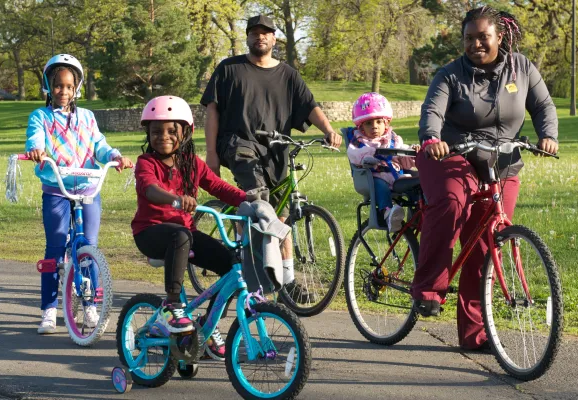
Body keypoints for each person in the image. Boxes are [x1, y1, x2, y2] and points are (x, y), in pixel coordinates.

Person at [411, 6, 559, 351]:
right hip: (451, 153)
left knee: (485, 245)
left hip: (502, 161)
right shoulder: (450, 74)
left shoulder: (521, 68)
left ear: (500, 37)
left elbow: (543, 107)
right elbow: (432, 109)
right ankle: (429, 289)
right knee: (450, 202)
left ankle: (474, 335)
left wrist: (548, 134)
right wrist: (432, 137)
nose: (475, 43)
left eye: (483, 37)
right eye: (469, 38)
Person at [200, 14, 342, 302]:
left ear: (274, 38)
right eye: (254, 32)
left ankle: (287, 281)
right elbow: (212, 110)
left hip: (276, 149)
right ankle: (253, 278)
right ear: (248, 37)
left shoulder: (288, 74)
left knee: (282, 217)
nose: (260, 37)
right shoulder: (230, 69)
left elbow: (309, 105)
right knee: (258, 203)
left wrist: (328, 130)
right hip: (238, 144)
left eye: (266, 33)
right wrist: (212, 153)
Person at [131, 95, 247, 359]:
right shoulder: (146, 163)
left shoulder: (193, 164)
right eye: (156, 131)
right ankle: (173, 304)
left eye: (172, 131)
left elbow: (218, 187)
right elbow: (149, 189)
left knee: (231, 266)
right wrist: (175, 199)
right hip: (150, 232)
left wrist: (248, 199)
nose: (164, 136)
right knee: (181, 234)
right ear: (147, 133)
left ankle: (208, 326)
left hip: (184, 235)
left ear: (185, 133)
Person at [25, 54, 134, 334]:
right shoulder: (41, 116)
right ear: (48, 87)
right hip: (57, 189)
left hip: (88, 188)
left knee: (89, 248)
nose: (63, 91)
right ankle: (49, 310)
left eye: (69, 87)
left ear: (77, 89)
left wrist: (115, 156)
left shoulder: (87, 117)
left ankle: (90, 307)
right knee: (55, 247)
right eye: (58, 86)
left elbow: (99, 144)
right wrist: (37, 150)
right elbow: (35, 137)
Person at [346, 92, 420, 232]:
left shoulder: (393, 140)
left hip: (397, 176)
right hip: (375, 177)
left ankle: (417, 211)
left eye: (379, 122)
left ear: (386, 123)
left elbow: (402, 155)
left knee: (415, 181)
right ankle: (387, 213)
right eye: (369, 123)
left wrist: (413, 152)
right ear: (361, 127)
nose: (374, 126)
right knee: (380, 186)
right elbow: (353, 154)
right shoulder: (360, 142)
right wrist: (369, 156)